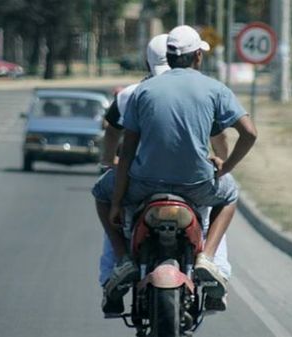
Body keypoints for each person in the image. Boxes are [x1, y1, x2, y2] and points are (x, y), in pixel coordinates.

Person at [109, 25, 257, 312]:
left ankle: (122, 260)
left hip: (146, 184)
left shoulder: (144, 90)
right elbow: (249, 133)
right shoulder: (215, 88)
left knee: (100, 193)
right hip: (197, 185)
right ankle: (207, 258)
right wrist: (226, 167)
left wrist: (116, 202)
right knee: (230, 195)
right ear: (198, 56)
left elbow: (126, 153)